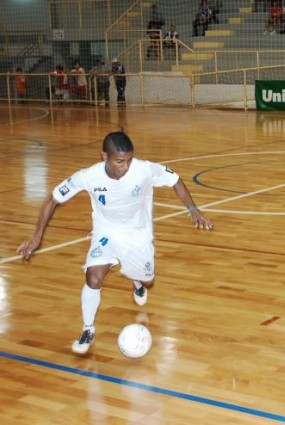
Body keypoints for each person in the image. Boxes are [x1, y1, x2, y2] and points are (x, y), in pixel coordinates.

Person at [16, 131, 213, 355]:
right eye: (120, 161)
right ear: (104, 157)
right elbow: (53, 199)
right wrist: (36, 236)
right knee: (93, 277)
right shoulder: (88, 176)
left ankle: (137, 282)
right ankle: (88, 329)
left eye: (129, 160)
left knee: (148, 282)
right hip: (106, 232)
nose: (126, 166)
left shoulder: (144, 169)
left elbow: (175, 179)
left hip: (137, 235)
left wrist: (193, 210)